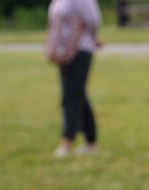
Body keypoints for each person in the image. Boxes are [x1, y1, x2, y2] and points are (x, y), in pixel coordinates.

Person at [45, 0, 101, 158]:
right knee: (79, 95)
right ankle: (91, 142)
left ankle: (67, 143)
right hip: (64, 51)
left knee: (70, 96)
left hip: (80, 49)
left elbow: (93, 19)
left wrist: (94, 36)